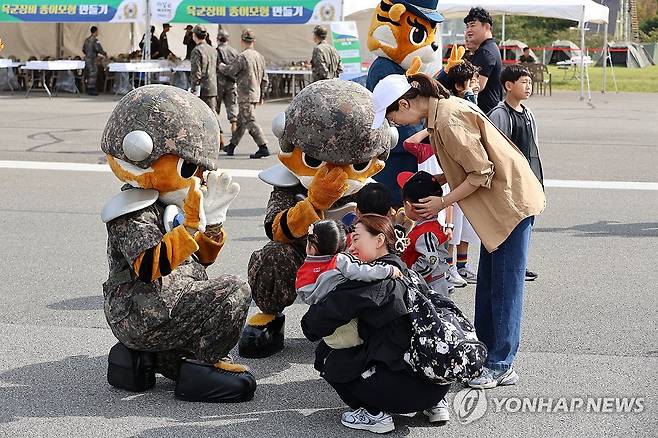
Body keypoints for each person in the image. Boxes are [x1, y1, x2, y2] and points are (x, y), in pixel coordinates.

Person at [370, 73, 545, 389]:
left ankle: (502, 364)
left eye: (392, 116)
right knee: (490, 284)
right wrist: (437, 182)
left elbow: (481, 172)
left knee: (505, 288)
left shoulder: (448, 121)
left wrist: (441, 202)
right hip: (499, 208)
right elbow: (465, 166)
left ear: (406, 103)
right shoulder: (441, 113)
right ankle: (485, 355)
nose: (394, 123)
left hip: (510, 206)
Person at [301, 214, 451, 433]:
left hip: (402, 392)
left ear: (379, 240)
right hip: (438, 380)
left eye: (356, 239)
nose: (350, 248)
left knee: (326, 355)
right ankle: (434, 404)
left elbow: (313, 325)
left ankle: (374, 414)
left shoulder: (369, 282)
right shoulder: (409, 272)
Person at [296, 219, 401, 349]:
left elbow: (303, 292)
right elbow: (364, 272)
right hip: (347, 322)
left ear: (311, 248)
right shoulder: (340, 261)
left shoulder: (305, 268)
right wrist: (388, 270)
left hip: (327, 324)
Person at [489, 64, 545, 282]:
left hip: (528, 177)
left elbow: (534, 147)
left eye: (530, 82)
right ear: (508, 86)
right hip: (510, 181)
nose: (528, 86)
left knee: (526, 223)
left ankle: (520, 264)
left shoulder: (528, 113)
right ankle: (510, 266)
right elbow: (495, 150)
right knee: (510, 225)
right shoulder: (500, 114)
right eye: (524, 82)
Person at [398, 171, 451, 297]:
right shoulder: (433, 226)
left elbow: (430, 260)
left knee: (434, 314)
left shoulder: (425, 233)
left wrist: (410, 273)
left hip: (430, 284)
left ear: (409, 205)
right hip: (434, 281)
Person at [219, 29, 270, 159]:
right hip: (255, 93)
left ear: (242, 41)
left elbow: (231, 70)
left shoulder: (243, 56)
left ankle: (263, 146)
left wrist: (221, 66)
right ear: (254, 41)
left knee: (250, 120)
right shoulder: (260, 57)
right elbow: (265, 79)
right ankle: (232, 146)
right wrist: (262, 95)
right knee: (242, 121)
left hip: (245, 93)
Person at [464, 7, 502, 114]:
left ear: (487, 27)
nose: (468, 30)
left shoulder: (485, 52)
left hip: (485, 114)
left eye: (472, 25)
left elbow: (475, 87)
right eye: (467, 26)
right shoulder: (489, 48)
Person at [189, 25, 220, 150]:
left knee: (200, 115)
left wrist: (193, 87)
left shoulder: (197, 50)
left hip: (202, 87)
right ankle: (219, 138)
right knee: (212, 114)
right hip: (212, 86)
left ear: (195, 35)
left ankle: (209, 141)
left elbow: (196, 72)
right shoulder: (212, 50)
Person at [216, 29, 239, 137]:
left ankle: (218, 131)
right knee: (232, 104)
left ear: (218, 39)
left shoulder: (216, 51)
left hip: (219, 83)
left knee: (216, 107)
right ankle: (234, 125)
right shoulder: (234, 51)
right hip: (231, 82)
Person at [82, 26, 106, 96]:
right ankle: (91, 89)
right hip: (92, 59)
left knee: (89, 74)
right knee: (93, 74)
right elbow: (99, 49)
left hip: (87, 59)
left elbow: (83, 49)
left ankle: (88, 88)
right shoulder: (95, 40)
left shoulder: (86, 40)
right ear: (95, 32)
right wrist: (104, 54)